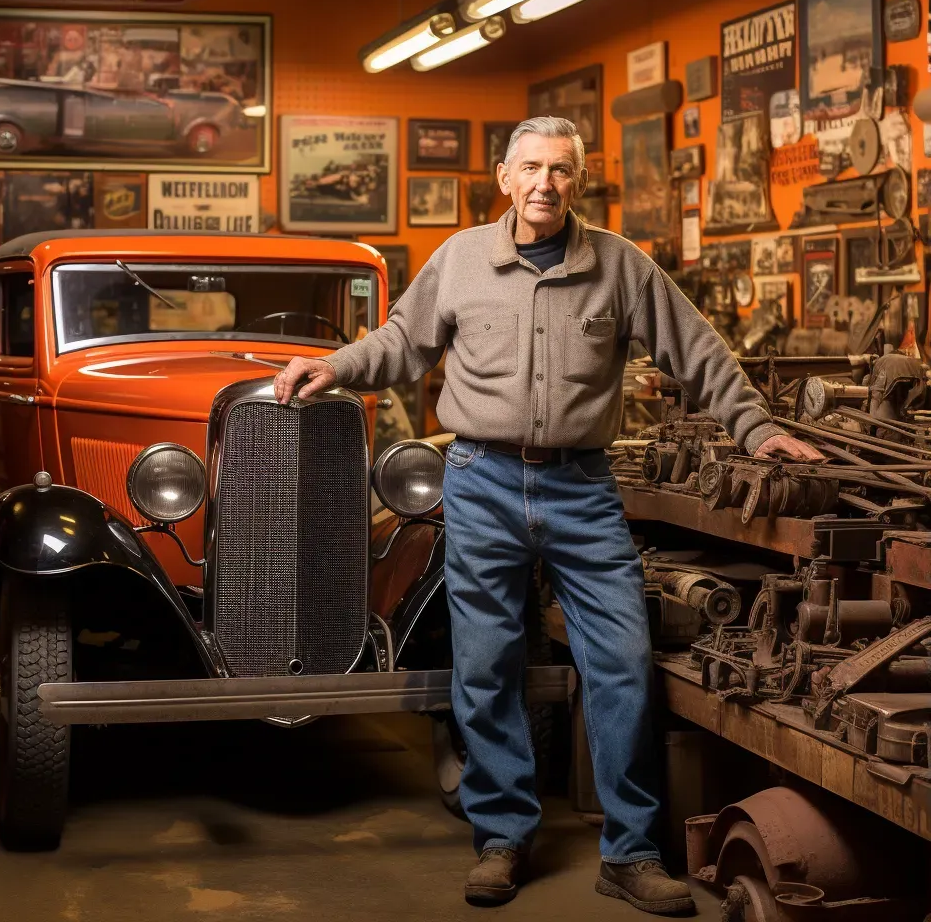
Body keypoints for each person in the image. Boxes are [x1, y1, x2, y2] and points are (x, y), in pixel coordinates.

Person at [274, 117, 820, 916]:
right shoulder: (460, 260)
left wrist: (759, 428)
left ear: (578, 180)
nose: (544, 185)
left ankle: (630, 851)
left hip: (582, 488)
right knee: (487, 666)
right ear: (504, 176)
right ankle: (501, 836)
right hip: (481, 480)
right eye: (530, 168)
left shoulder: (622, 267)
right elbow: (401, 343)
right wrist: (334, 365)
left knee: (623, 662)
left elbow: (697, 351)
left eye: (561, 170)